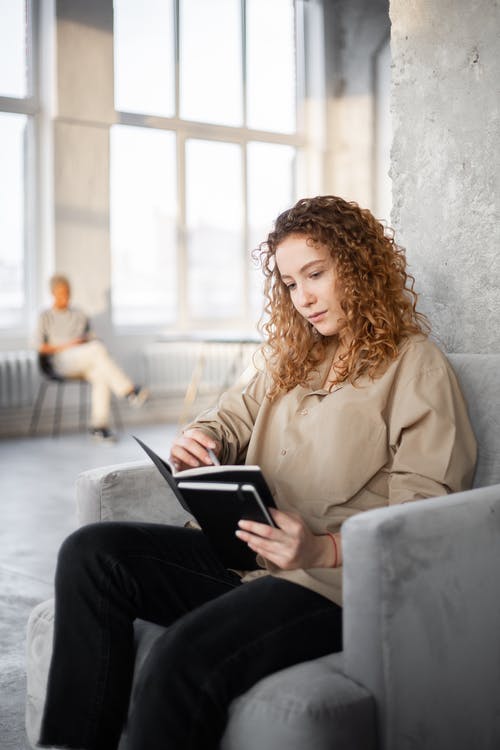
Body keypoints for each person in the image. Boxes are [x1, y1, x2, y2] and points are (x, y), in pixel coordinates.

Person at [38, 196, 476, 750]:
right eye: (291, 284)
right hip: (243, 557)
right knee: (92, 552)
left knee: (181, 657)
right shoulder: (291, 357)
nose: (304, 298)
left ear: (361, 267)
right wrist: (204, 437)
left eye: (316, 274)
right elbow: (227, 414)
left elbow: (425, 514)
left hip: (329, 584)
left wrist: (324, 550)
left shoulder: (417, 367)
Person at [36, 274, 149, 441]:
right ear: (52, 293)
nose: (65, 297)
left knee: (100, 372)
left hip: (84, 359)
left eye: (67, 293)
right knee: (96, 350)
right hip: (59, 361)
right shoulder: (45, 316)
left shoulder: (79, 315)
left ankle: (99, 427)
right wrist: (70, 344)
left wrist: (85, 341)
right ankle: (129, 391)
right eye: (60, 293)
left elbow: (92, 339)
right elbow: (41, 347)